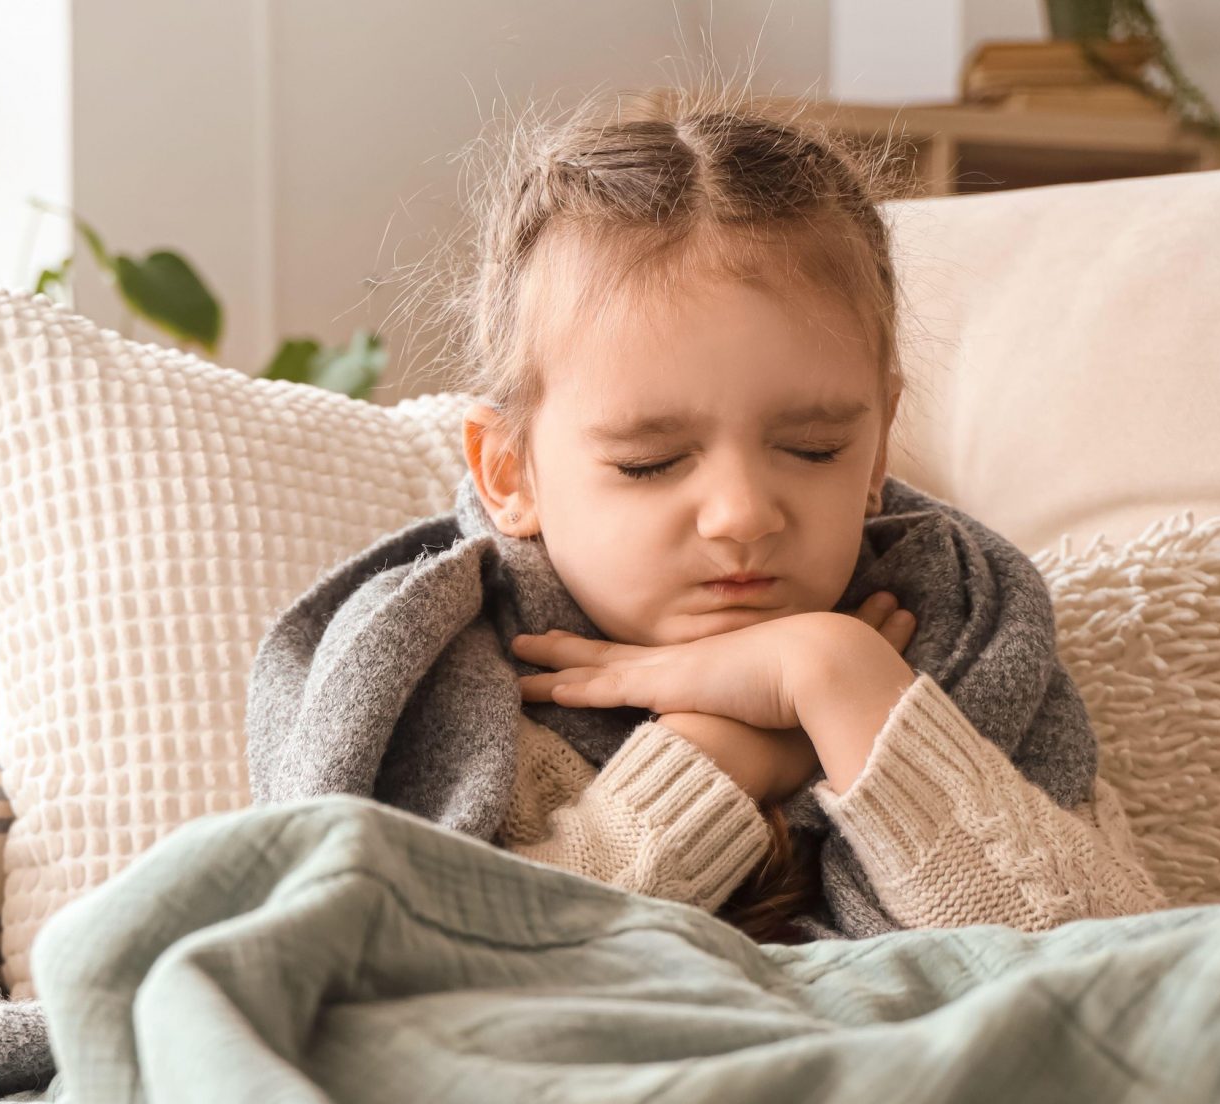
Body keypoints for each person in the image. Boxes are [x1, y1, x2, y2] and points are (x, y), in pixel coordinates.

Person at [428, 89, 1165, 939]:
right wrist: (720, 762)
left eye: (814, 448)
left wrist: (839, 679)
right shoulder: (456, 687)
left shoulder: (966, 640)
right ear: (508, 472)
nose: (742, 516)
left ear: (878, 451)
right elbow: (459, 965)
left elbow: (1130, 970)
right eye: (651, 462)